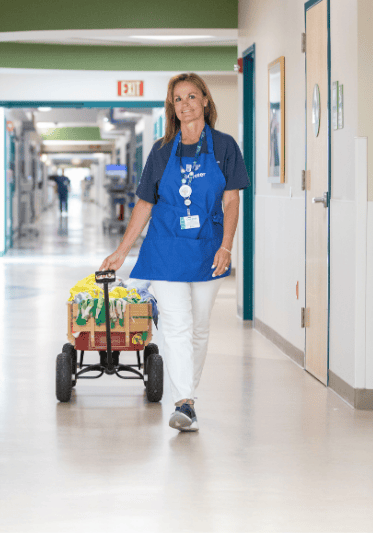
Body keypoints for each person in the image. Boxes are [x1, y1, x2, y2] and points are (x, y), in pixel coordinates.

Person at [100, 73, 249, 432]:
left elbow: (232, 200)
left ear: (206, 101)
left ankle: (187, 394)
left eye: (191, 96)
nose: (185, 104)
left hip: (208, 248)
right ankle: (185, 403)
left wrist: (227, 245)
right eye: (177, 99)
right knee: (177, 326)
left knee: (198, 328)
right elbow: (145, 202)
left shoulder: (226, 147)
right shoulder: (161, 149)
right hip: (165, 248)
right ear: (172, 107)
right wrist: (122, 251)